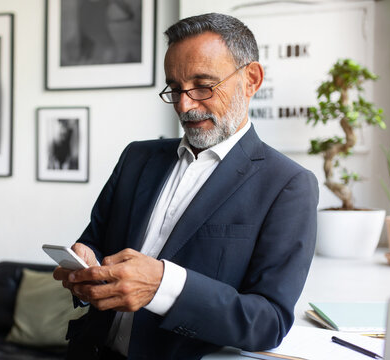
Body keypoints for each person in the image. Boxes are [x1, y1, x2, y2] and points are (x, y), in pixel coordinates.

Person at [53, 13, 319, 360]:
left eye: (203, 86)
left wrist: (163, 285)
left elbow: (267, 323)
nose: (184, 104)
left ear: (251, 79)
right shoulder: (136, 157)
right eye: (175, 89)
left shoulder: (288, 185)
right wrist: (86, 263)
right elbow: (95, 241)